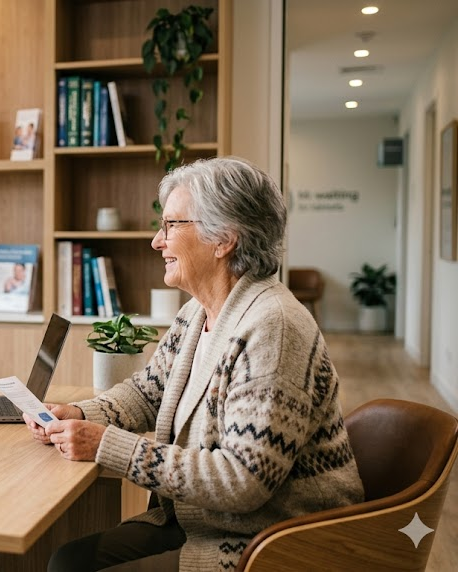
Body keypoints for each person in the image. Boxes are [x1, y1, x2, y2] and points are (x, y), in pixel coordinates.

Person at [25, 157, 364, 571]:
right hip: (200, 520)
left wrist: (106, 444)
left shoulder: (273, 328)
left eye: (171, 225)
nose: (156, 241)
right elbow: (148, 390)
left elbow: (244, 481)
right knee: (67, 561)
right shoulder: (198, 313)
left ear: (223, 239)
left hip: (268, 543)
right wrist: (77, 413)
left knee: (72, 567)